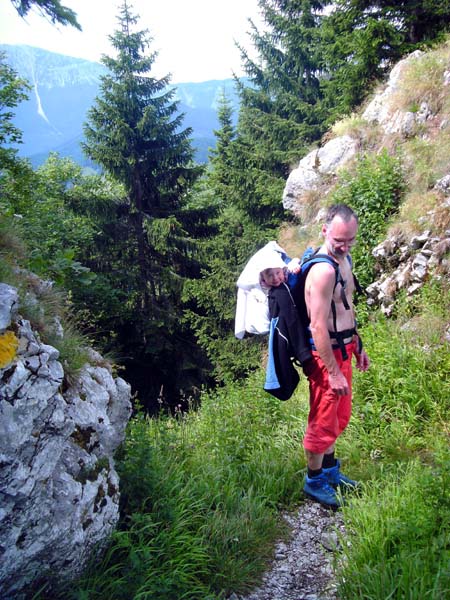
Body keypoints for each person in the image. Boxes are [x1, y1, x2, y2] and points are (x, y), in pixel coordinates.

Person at [301, 204, 370, 509]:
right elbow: (317, 325)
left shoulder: (345, 261)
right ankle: (313, 481)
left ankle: (330, 471)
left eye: (350, 240)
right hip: (325, 357)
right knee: (322, 419)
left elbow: (345, 308)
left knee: (339, 417)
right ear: (325, 231)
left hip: (344, 349)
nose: (344, 247)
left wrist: (358, 345)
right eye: (339, 241)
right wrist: (333, 372)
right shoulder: (323, 270)